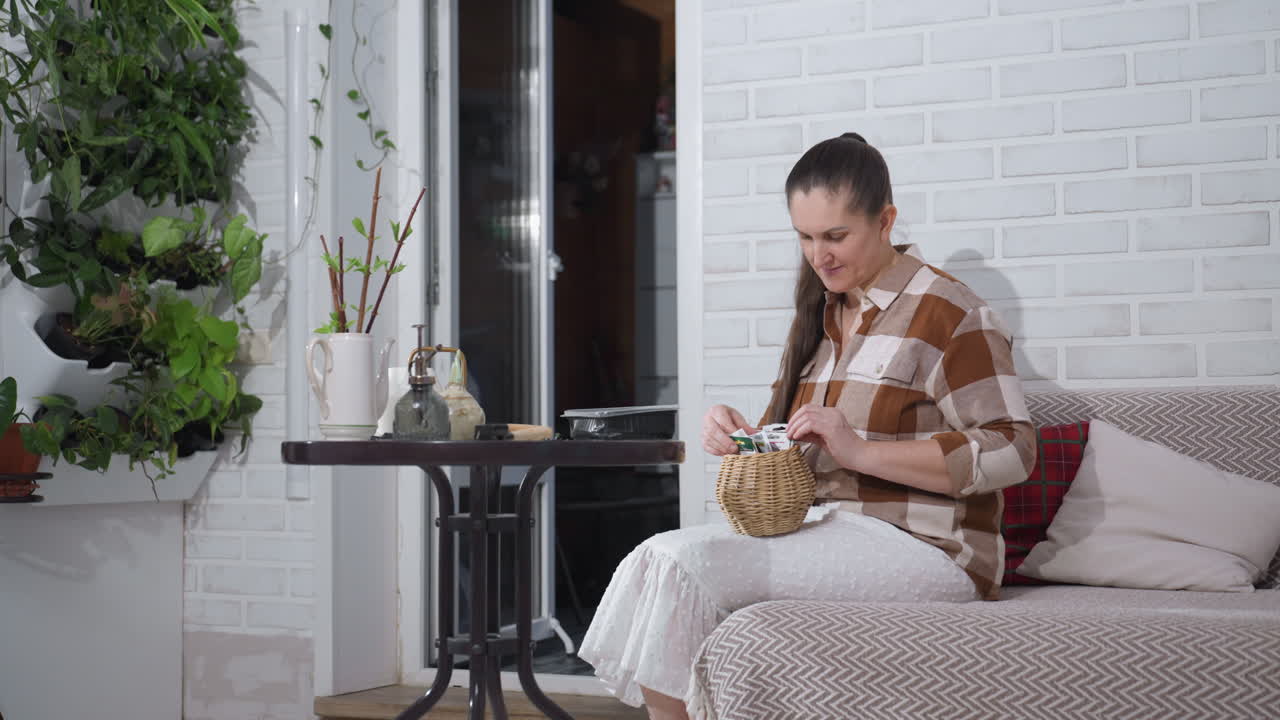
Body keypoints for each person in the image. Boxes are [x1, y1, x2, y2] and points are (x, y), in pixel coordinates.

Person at [578, 133, 1036, 720]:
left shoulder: (951, 312)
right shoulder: (824, 313)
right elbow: (788, 442)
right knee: (655, 560)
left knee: (678, 565)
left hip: (931, 548)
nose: (820, 255)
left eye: (836, 236)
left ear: (886, 220)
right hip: (831, 528)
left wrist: (860, 452)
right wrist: (740, 435)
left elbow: (1013, 450)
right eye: (805, 237)